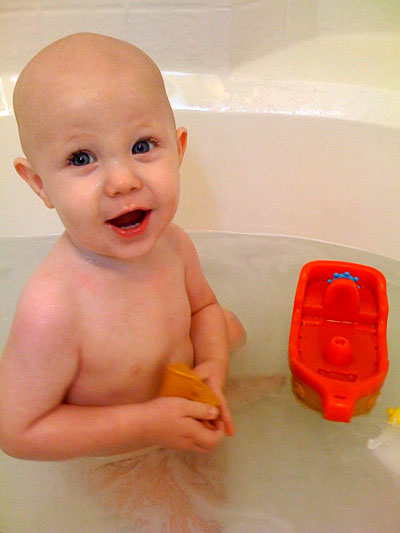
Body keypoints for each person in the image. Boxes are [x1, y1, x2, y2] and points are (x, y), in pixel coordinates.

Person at [0, 32, 247, 461]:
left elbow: (203, 310)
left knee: (230, 327)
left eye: (142, 146)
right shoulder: (54, 307)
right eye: (82, 159)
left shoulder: (174, 243)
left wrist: (212, 368)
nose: (123, 181)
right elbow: (18, 431)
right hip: (118, 450)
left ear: (179, 148)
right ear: (39, 184)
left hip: (178, 391)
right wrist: (148, 423)